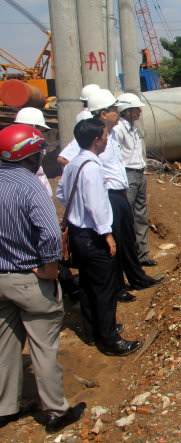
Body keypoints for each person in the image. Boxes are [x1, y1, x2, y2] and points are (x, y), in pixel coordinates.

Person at [0, 124, 86, 432]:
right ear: (32, 155)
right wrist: (50, 268)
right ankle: (56, 410)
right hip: (30, 278)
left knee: (5, 346)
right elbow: (49, 233)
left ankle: (5, 408)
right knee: (43, 346)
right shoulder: (30, 185)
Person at [56, 118, 142, 356]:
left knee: (87, 284)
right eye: (105, 136)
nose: (107, 140)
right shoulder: (92, 167)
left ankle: (93, 331)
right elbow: (96, 206)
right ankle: (110, 339)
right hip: (94, 236)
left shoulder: (74, 163)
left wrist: (76, 212)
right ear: (96, 140)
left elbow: (61, 192)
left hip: (77, 234)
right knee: (104, 289)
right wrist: (107, 234)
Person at [86, 89, 161, 293]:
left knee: (134, 223)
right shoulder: (106, 134)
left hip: (131, 178)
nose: (138, 113)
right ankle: (120, 283)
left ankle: (139, 264)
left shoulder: (119, 130)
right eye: (113, 109)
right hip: (117, 187)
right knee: (117, 235)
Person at [14, 107, 83, 300]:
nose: (43, 133)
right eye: (41, 130)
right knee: (46, 246)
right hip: (34, 208)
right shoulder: (23, 156)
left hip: (40, 204)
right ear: (32, 127)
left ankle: (64, 283)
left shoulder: (32, 150)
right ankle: (58, 286)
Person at [115, 92, 156, 266]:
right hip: (127, 175)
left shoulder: (133, 128)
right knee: (127, 216)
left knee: (141, 215)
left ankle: (142, 255)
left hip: (139, 174)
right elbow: (115, 155)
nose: (139, 112)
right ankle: (127, 257)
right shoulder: (118, 129)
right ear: (126, 110)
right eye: (136, 109)